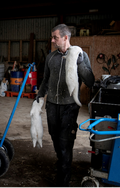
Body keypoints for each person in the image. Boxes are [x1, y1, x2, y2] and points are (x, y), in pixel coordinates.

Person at [35, 24, 95, 188]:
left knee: (64, 142)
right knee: (55, 138)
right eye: (52, 37)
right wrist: (39, 96)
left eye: (55, 37)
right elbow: (46, 80)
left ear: (65, 37)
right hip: (52, 106)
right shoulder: (51, 58)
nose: (52, 40)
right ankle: (63, 163)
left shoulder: (80, 55)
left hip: (69, 106)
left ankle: (63, 181)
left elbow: (90, 81)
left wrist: (81, 62)